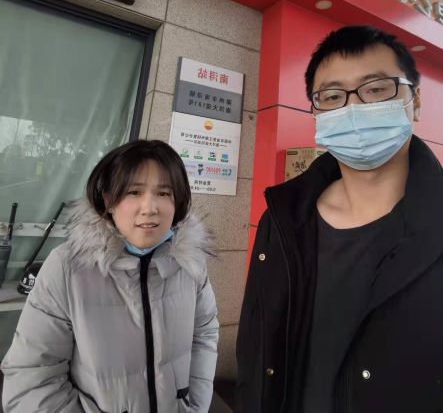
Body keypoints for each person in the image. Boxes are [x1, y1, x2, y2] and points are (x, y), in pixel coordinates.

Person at [236, 25, 443, 413]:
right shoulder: (281, 220)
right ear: (315, 113)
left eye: (376, 89)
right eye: (332, 96)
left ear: (415, 102)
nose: (353, 109)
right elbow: (255, 346)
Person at [2, 139, 219, 413]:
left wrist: (194, 404)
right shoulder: (68, 268)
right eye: (134, 192)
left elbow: (204, 334)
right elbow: (32, 378)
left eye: (164, 193)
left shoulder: (189, 264)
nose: (150, 207)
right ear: (108, 200)